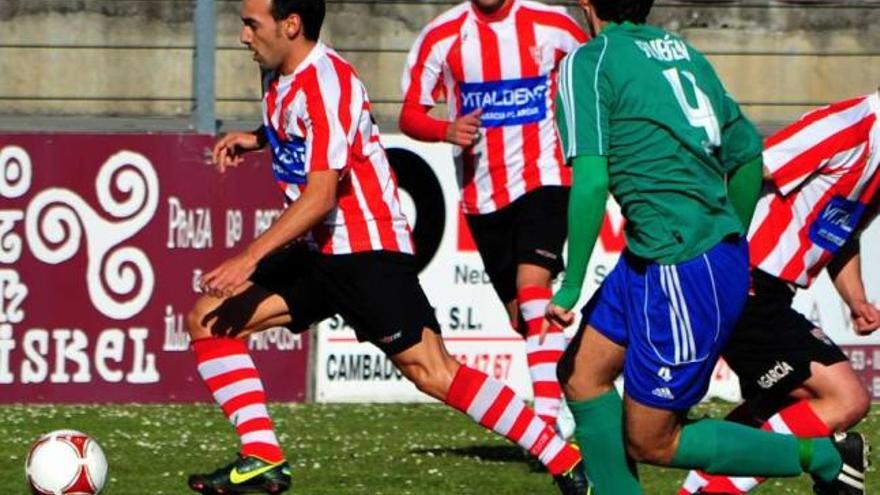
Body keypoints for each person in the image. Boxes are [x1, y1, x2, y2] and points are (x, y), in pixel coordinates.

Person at [185, 0, 590, 493]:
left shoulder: (327, 81)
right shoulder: (280, 74)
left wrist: (247, 258)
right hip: (321, 251)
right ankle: (263, 457)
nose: (244, 36)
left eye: (252, 24)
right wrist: (257, 138)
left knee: (433, 372)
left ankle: (561, 456)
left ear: (290, 25)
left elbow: (320, 195)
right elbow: (300, 130)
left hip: (364, 250)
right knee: (209, 321)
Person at [545, 0, 869, 494]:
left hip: (678, 263)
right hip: (659, 255)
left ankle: (822, 454)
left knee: (651, 441)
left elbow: (590, 183)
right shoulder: (684, 54)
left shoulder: (589, 61)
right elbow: (746, 156)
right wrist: (729, 239)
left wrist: (569, 287)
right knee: (580, 374)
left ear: (586, 4)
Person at [399, 0, 588, 428]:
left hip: (546, 174)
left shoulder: (554, 25)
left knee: (533, 283)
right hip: (482, 194)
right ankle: (586, 377)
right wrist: (444, 130)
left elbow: (594, 77)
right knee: (522, 315)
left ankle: (545, 421)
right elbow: (410, 113)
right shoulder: (441, 36)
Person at [680, 90, 880, 494]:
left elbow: (839, 228)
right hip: (745, 278)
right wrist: (721, 252)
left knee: (780, 407)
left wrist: (855, 298)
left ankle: (697, 489)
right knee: (846, 399)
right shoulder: (848, 126)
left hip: (767, 289)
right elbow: (753, 164)